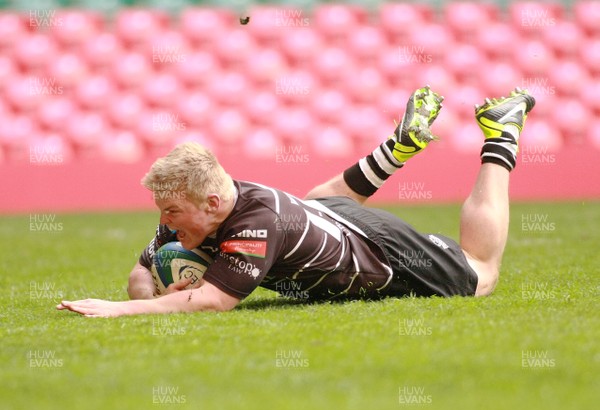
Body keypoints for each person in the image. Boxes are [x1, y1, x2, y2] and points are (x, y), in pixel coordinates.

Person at [57, 86, 535, 317]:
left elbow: (212, 301)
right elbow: (141, 272)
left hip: (382, 252)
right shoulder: (198, 209)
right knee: (310, 203)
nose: (164, 223)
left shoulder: (254, 222)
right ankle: (397, 148)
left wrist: (118, 311)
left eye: (172, 212)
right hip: (328, 213)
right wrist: (150, 290)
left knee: (481, 272)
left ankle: (502, 132)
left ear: (210, 201)